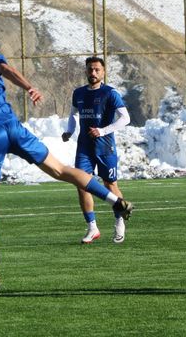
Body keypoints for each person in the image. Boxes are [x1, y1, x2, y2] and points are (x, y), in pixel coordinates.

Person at [0, 15, 133, 299]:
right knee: (60, 169)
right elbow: (6, 69)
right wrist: (28, 86)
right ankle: (116, 201)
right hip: (13, 127)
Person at [62, 57, 131, 244]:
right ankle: (92, 227)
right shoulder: (78, 93)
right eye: (90, 69)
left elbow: (125, 118)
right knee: (82, 184)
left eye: (97, 70)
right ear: (86, 71)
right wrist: (69, 131)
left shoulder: (110, 93)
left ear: (103, 72)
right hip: (84, 147)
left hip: (105, 147)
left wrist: (102, 130)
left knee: (110, 185)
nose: (93, 73)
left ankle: (119, 220)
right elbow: (73, 114)